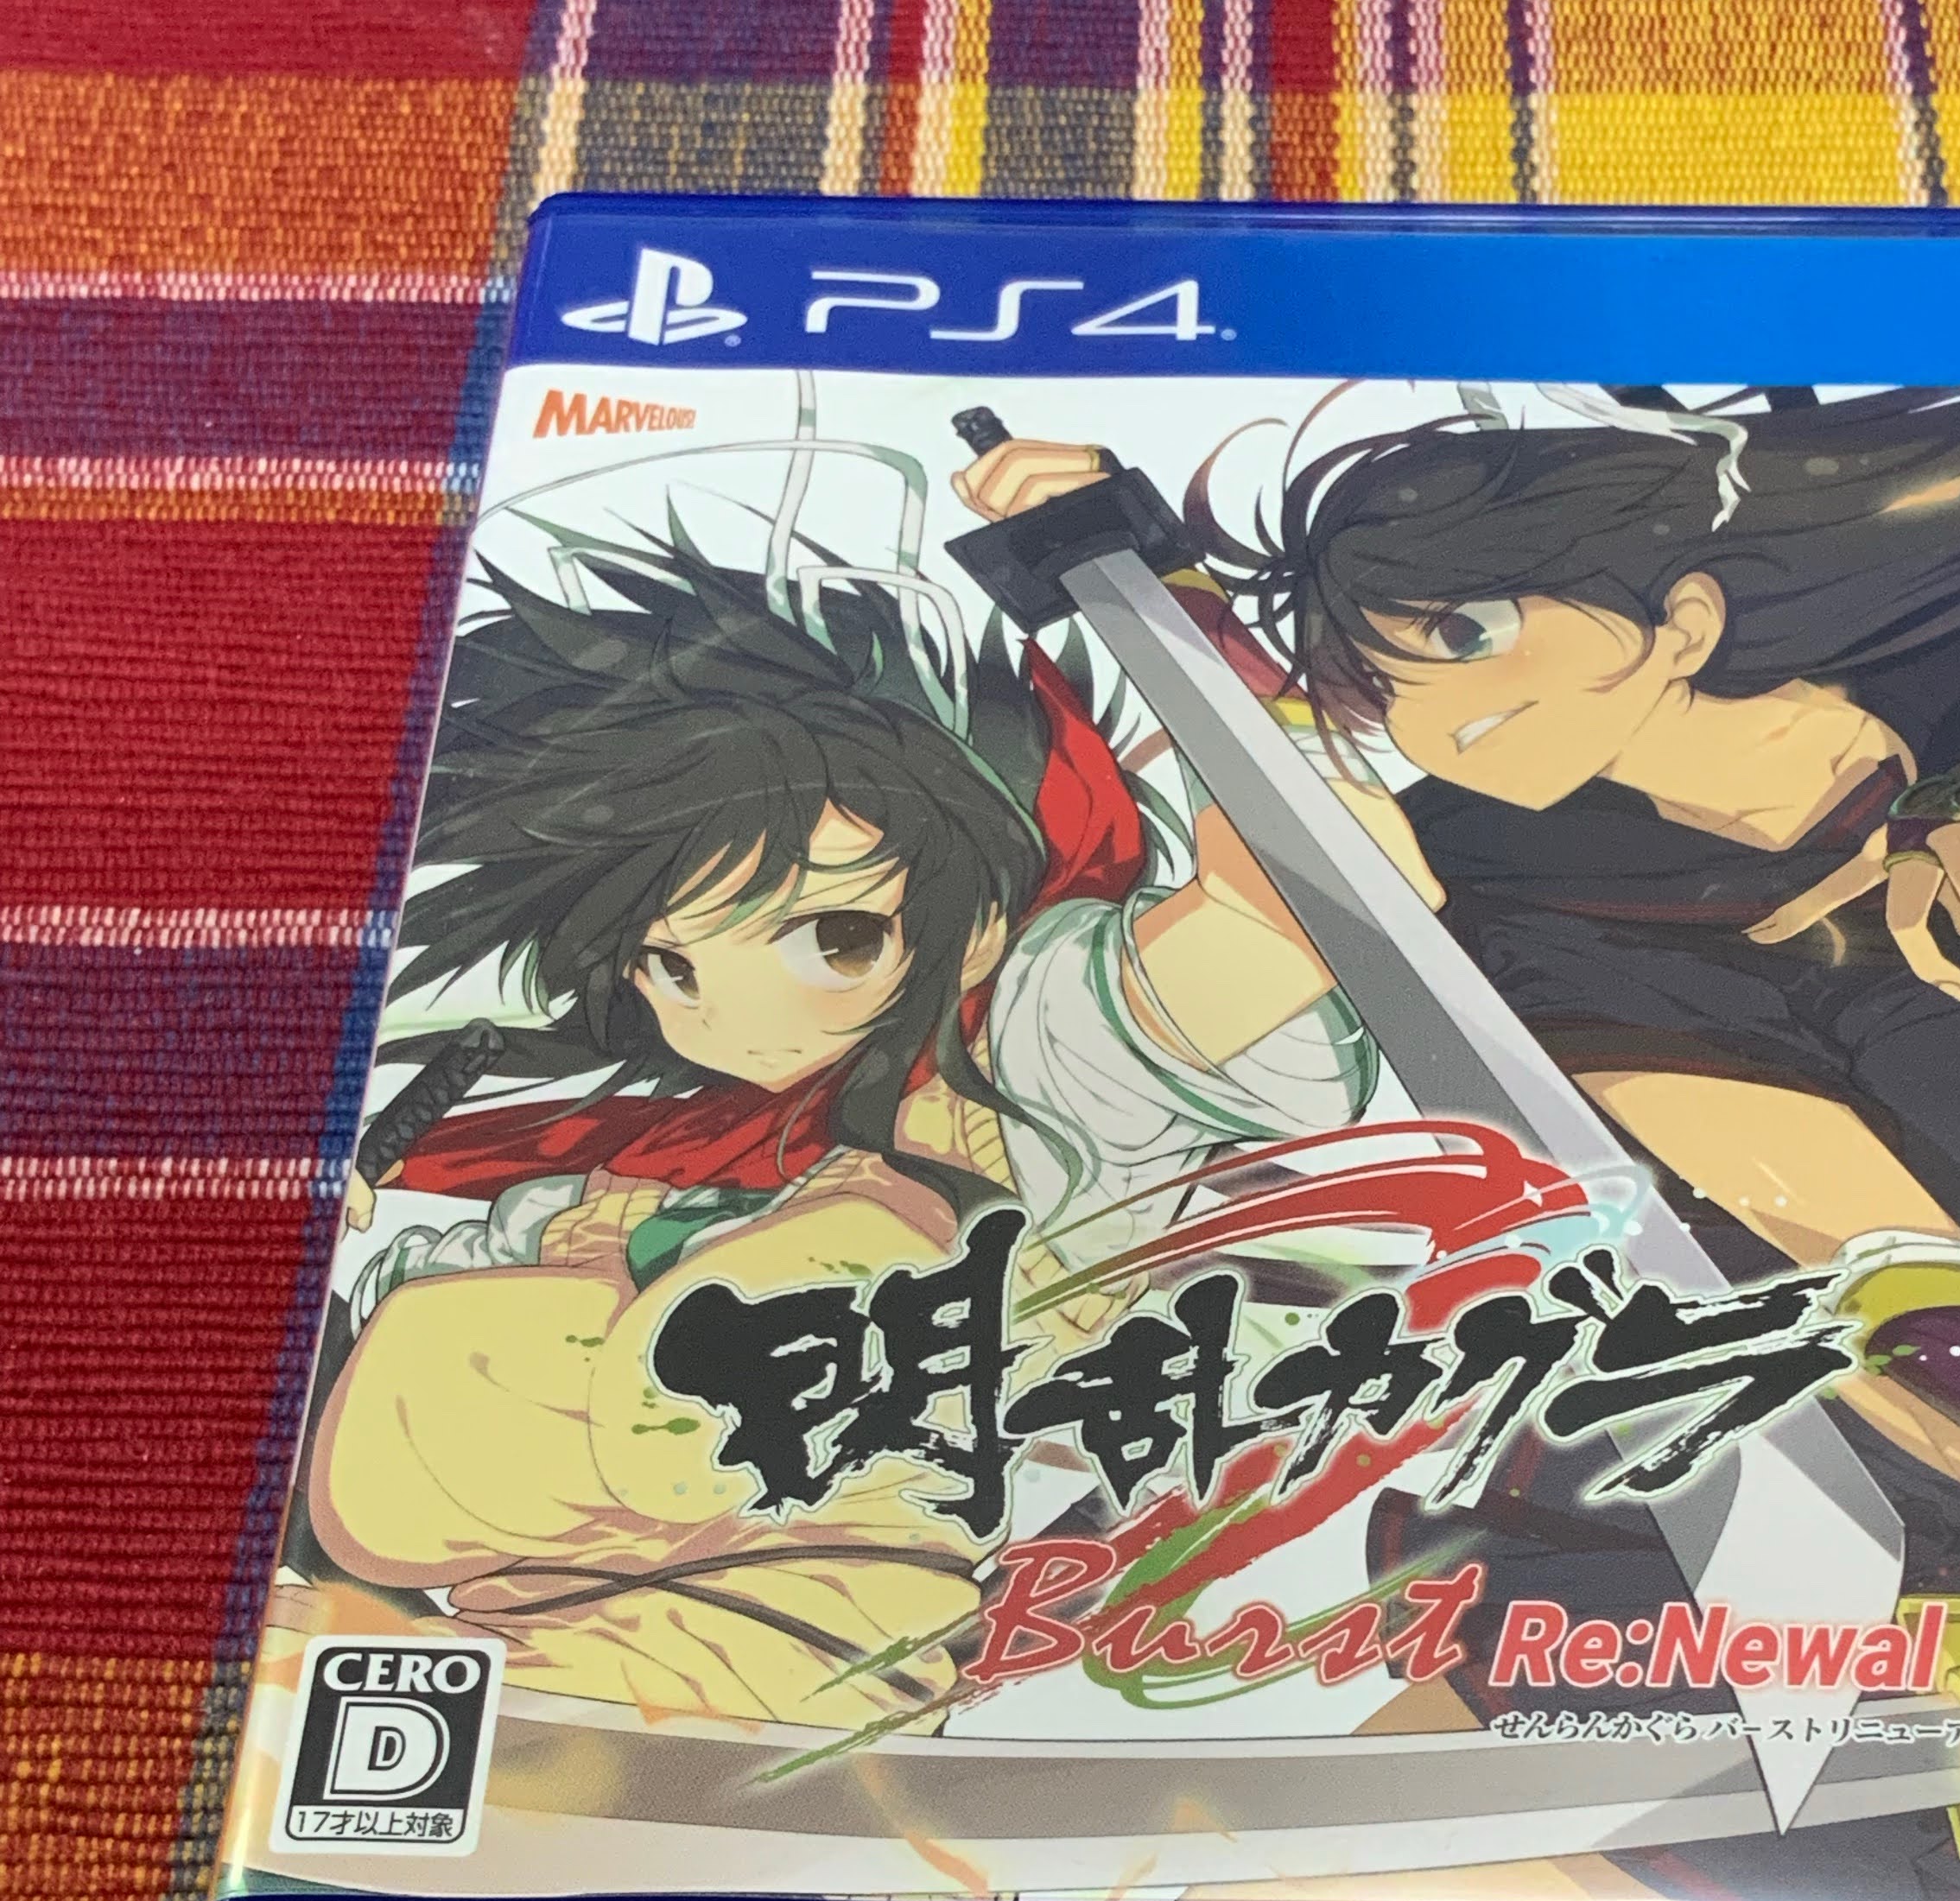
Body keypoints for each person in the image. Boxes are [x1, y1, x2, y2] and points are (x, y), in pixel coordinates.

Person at [954, 393, 1960, 1819]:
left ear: (1683, 620)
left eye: (1470, 632)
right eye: (1386, 687)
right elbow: (1868, 1255)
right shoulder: (1537, 911)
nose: (1436, 717)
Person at [301, 525, 1373, 1727]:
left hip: (795, 1633)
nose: (740, 1021)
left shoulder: (1040, 1055)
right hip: (513, 1630)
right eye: (671, 966)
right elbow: (397, 1444)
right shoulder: (635, 1161)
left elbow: (1295, 900)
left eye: (835, 938)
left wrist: (1148, 580)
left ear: (976, 921)